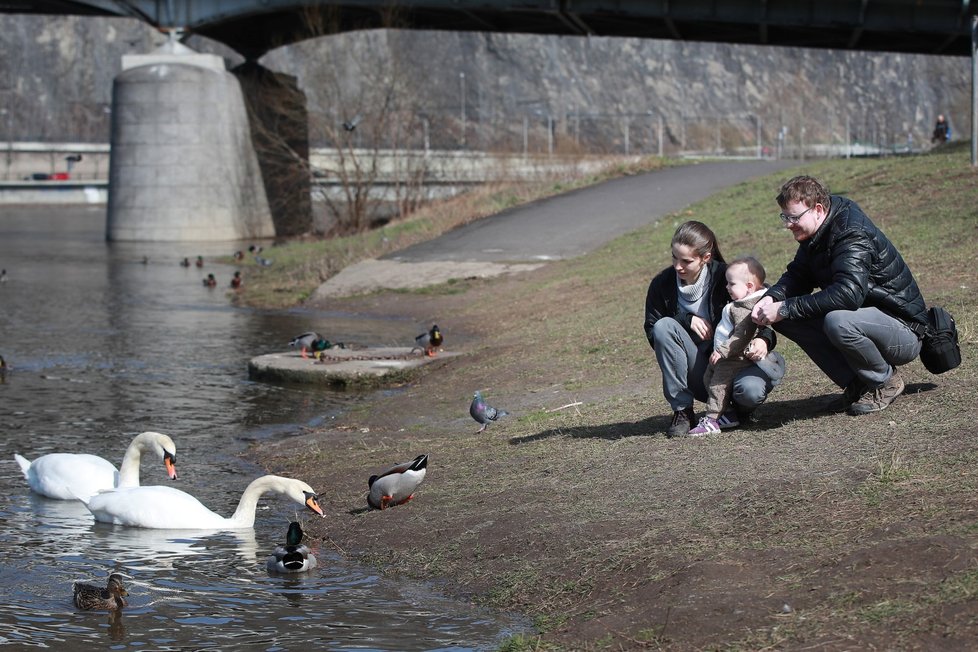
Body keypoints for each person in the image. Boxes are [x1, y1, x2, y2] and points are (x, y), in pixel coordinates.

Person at [751, 175, 928, 416]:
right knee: (785, 316)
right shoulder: (818, 231)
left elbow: (848, 294)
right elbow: (798, 275)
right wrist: (772, 298)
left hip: (903, 330)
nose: (788, 224)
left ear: (818, 209)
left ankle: (885, 382)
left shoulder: (850, 233)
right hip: (866, 320)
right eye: (785, 217)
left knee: (837, 321)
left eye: (794, 218)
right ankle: (857, 383)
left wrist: (784, 308)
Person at [644, 221, 783, 438]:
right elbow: (653, 330)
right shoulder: (661, 284)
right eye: (674, 257)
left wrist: (765, 339)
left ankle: (735, 409)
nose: (677, 266)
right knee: (664, 325)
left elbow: (760, 307)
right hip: (703, 369)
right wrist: (685, 319)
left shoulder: (727, 279)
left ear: (706, 258)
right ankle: (682, 411)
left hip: (737, 362)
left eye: (686, 261)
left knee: (750, 391)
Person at [687, 257, 786, 436]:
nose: (727, 287)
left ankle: (711, 421)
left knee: (718, 384)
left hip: (732, 357)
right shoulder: (745, 301)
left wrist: (723, 351)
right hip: (726, 355)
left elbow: (742, 334)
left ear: (749, 286)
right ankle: (729, 414)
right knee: (708, 378)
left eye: (731, 284)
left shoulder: (744, 309)